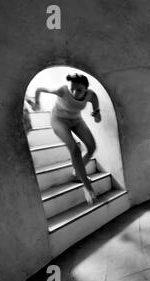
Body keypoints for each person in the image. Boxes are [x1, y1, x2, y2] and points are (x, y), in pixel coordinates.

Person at [27, 74, 101, 205]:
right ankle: (87, 187)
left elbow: (97, 117)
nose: (74, 92)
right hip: (59, 120)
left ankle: (77, 172)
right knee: (75, 149)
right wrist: (37, 104)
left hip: (76, 120)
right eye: (72, 89)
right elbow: (39, 89)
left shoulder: (91, 96)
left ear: (86, 90)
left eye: (78, 90)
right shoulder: (62, 90)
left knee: (92, 147)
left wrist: (96, 114)